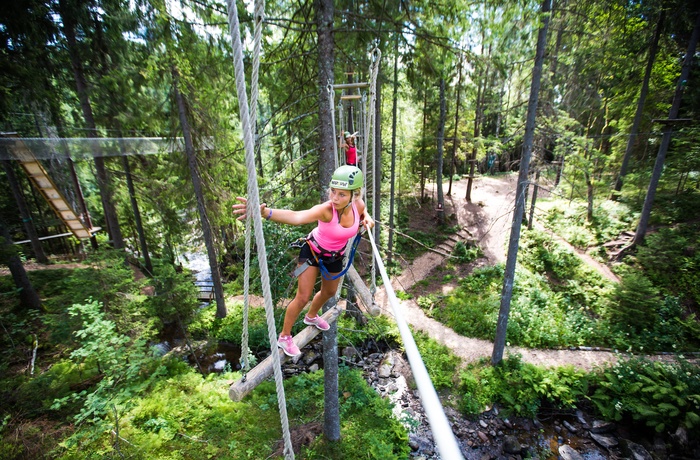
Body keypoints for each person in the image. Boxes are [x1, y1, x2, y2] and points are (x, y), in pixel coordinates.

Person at [233, 165, 374, 357]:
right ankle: (284, 336)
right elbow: (297, 216)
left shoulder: (358, 205)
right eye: (333, 191)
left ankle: (311, 316)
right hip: (313, 252)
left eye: (342, 195)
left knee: (330, 292)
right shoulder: (326, 210)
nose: (334, 198)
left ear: (354, 195)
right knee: (303, 296)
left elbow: (364, 213)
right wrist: (266, 213)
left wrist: (367, 219)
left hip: (335, 255)